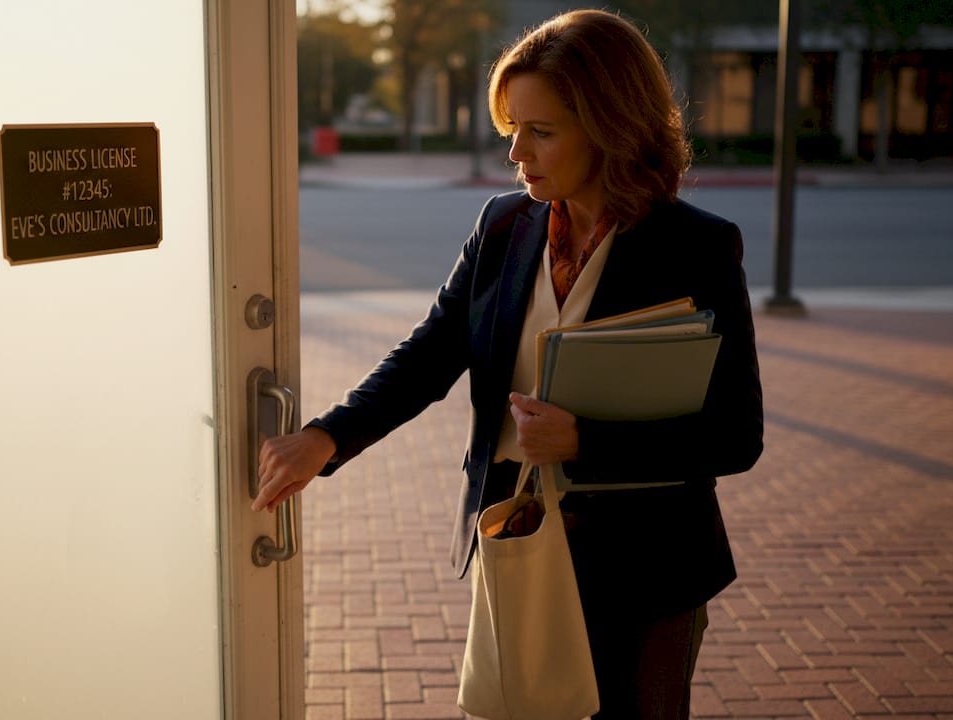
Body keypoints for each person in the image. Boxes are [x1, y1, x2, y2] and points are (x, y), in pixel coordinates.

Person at [254, 9, 763, 718]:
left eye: (541, 131)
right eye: (511, 129)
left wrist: (585, 442)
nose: (516, 152)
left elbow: (736, 435)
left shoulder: (695, 248)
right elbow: (432, 351)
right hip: (519, 546)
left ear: (611, 125)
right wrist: (328, 437)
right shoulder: (503, 226)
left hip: (650, 568)